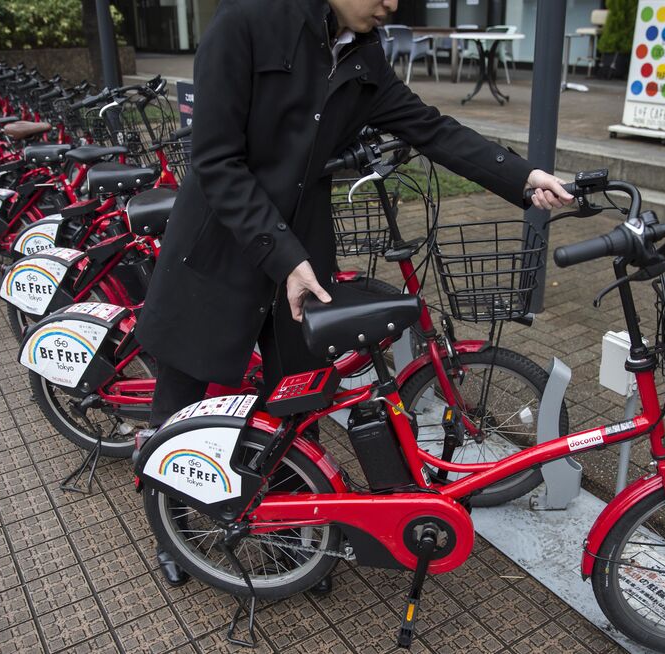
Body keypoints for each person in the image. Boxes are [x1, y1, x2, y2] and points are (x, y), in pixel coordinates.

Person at [134, 0, 574, 589]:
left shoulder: (362, 54)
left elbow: (431, 128)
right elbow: (215, 161)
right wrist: (284, 256)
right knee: (182, 397)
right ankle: (174, 529)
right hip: (221, 242)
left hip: (302, 250)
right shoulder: (245, 24)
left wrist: (520, 177)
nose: (393, 3)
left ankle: (295, 535)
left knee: (300, 394)